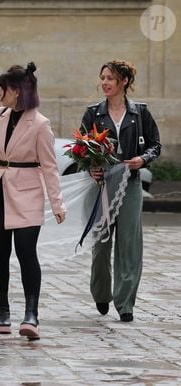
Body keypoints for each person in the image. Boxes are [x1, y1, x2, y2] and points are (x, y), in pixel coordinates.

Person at [0, 62, 66, 340]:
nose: (0, 93)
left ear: (17, 91)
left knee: (25, 251)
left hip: (27, 193)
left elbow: (49, 167)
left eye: (4, 88)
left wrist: (57, 204)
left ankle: (31, 315)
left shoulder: (41, 124)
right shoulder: (0, 114)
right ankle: (3, 311)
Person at [81, 60, 161, 322]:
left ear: (124, 82)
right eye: (102, 77)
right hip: (102, 186)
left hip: (131, 184)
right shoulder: (93, 113)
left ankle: (125, 303)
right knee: (102, 244)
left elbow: (155, 145)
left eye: (110, 79)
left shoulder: (140, 113)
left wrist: (143, 159)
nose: (104, 83)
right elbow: (80, 150)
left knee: (129, 244)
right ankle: (102, 293)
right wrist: (91, 168)